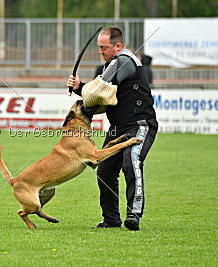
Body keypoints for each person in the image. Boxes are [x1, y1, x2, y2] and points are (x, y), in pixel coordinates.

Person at [67, 26, 158, 231]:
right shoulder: (113, 62)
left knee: (131, 160)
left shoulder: (124, 61)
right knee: (105, 170)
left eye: (104, 47)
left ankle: (133, 215)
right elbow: (98, 95)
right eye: (99, 47)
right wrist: (80, 87)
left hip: (140, 125)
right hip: (118, 128)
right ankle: (111, 220)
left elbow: (98, 91)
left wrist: (81, 87)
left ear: (118, 46)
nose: (100, 52)